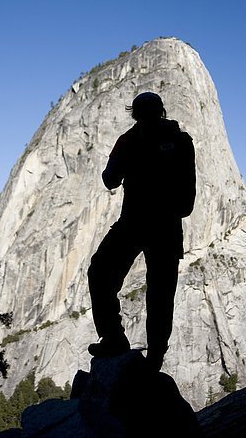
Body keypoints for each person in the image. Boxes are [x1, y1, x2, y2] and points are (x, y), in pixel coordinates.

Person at [87, 92, 196, 371]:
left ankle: (115, 338)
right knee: (160, 293)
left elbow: (109, 179)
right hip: (163, 227)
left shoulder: (130, 141)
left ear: (134, 114)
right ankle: (151, 356)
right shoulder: (180, 142)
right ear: (161, 110)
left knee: (101, 272)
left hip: (135, 223)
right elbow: (187, 203)